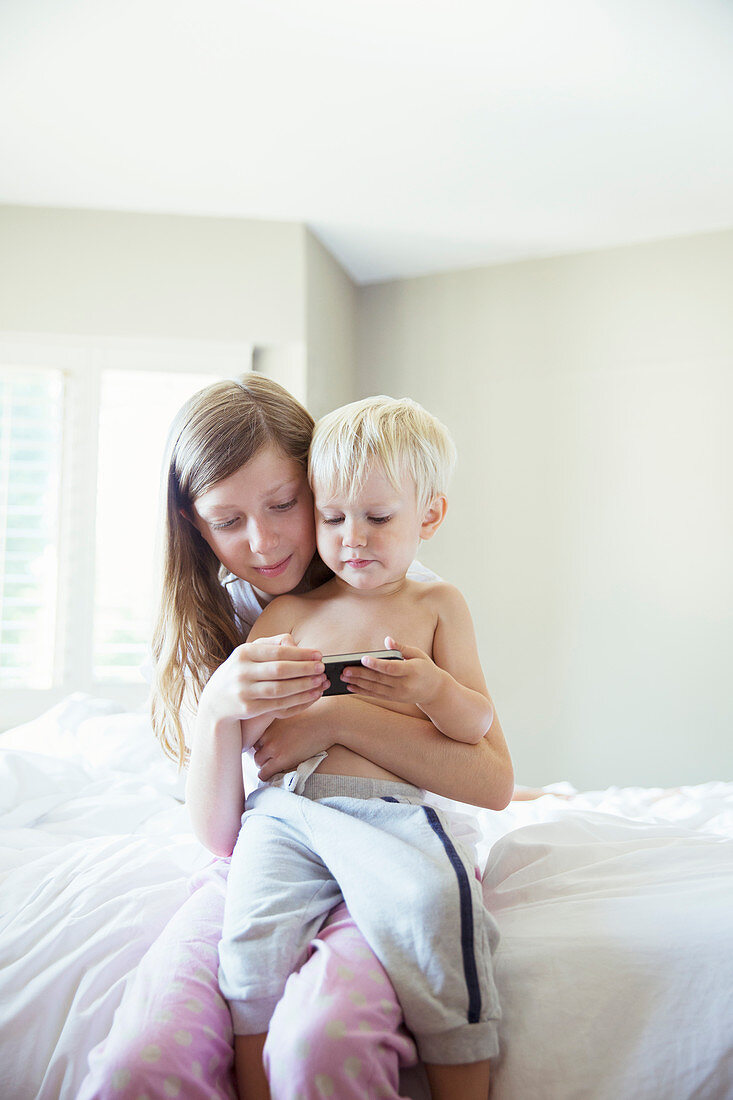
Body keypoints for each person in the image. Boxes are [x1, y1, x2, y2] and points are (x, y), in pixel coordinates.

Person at [77, 375, 513, 1100]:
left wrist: (340, 718)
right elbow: (221, 834)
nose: (264, 539)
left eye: (284, 504)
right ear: (193, 522)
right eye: (227, 519)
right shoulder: (228, 620)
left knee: (324, 1040)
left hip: (384, 823)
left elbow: (486, 769)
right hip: (271, 837)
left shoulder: (409, 596)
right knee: (140, 1064)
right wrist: (219, 710)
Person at [219, 394, 513, 1100]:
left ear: (428, 517)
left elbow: (474, 724)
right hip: (288, 810)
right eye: (331, 516)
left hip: (389, 808)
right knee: (250, 936)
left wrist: (430, 688)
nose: (353, 536)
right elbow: (249, 741)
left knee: (435, 907)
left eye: (378, 518)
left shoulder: (436, 606)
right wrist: (262, 704)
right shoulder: (288, 613)